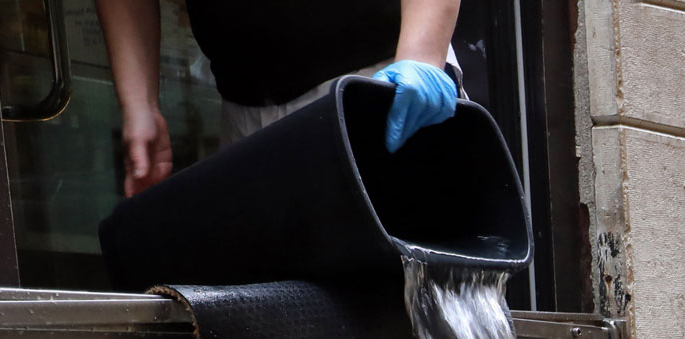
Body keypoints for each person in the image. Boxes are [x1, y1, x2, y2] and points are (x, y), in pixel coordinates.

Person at [95, 0, 464, 197]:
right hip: (246, 115)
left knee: (416, 307)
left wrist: (421, 57)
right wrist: (139, 103)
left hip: (381, 81)